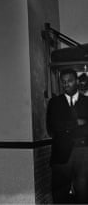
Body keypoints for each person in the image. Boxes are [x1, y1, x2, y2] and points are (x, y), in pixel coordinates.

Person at [47, 68, 88, 204]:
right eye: (63, 82)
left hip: (84, 154)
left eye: (69, 81)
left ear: (77, 81)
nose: (66, 85)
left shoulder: (86, 102)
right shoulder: (54, 103)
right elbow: (52, 128)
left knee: (83, 192)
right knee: (60, 195)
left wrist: (65, 126)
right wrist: (77, 122)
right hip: (61, 155)